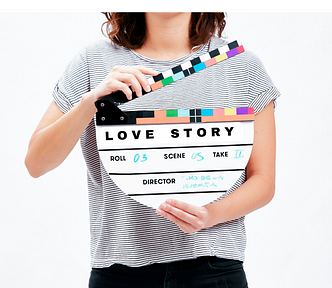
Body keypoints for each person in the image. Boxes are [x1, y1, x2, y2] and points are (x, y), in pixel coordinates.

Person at [25, 12, 280, 288]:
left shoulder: (241, 65)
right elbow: (36, 163)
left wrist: (210, 215)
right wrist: (90, 103)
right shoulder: (92, 62)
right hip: (118, 269)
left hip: (212, 265)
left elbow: (263, 180)